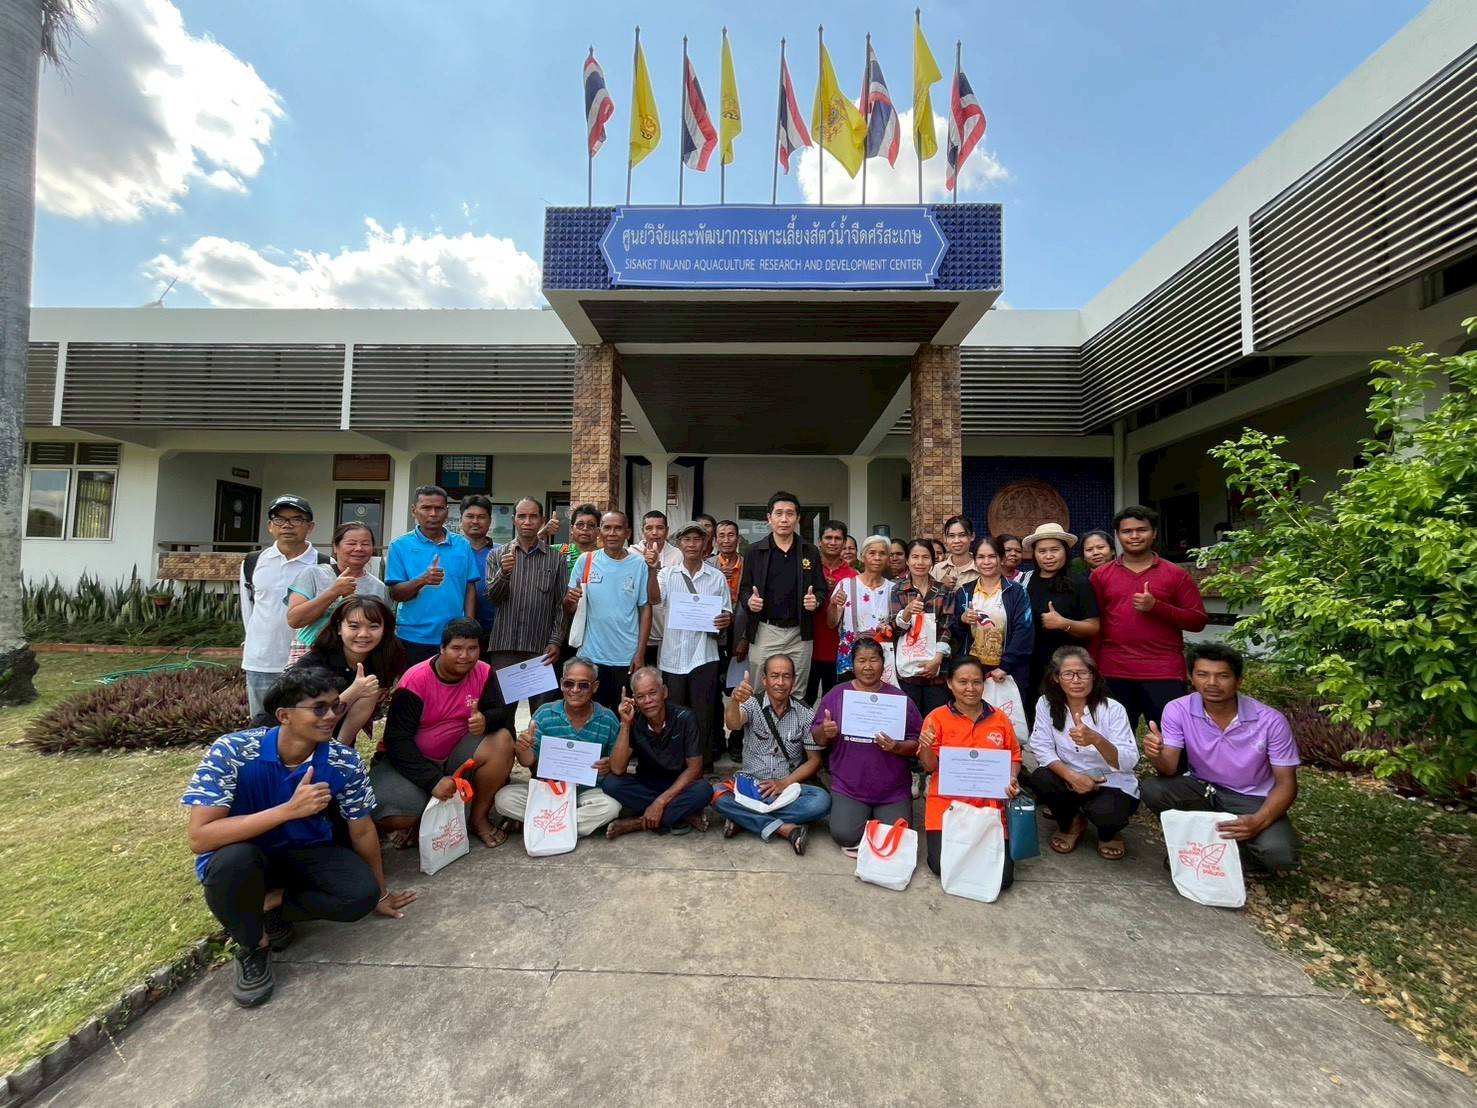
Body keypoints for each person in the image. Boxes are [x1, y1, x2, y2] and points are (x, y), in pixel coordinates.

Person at [182, 668, 415, 1007]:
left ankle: (271, 904)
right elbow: (200, 838)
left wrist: (380, 892)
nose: (331, 715)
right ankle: (254, 946)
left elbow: (362, 828)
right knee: (232, 863)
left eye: (336, 706)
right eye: (319, 708)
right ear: (284, 716)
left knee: (359, 896)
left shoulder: (342, 760)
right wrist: (287, 811)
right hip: (244, 856)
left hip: (303, 853)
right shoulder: (232, 751)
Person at [1141, 643, 1301, 873]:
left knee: (1280, 855)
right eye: (1202, 675)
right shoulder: (1178, 709)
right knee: (1153, 789)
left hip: (1252, 798)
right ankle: (1197, 844)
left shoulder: (1271, 721)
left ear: (1239, 681)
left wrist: (1258, 821)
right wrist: (1155, 754)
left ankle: (1226, 852)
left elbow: (1286, 784)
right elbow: (1168, 769)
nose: (1212, 683)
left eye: (1222, 676)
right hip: (1203, 789)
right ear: (1191, 678)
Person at [370, 618, 516, 848]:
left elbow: (502, 713)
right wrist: (432, 780)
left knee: (502, 740)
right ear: (442, 648)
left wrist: (486, 721)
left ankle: (478, 819)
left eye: (472, 648)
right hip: (412, 762)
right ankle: (419, 819)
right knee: (396, 816)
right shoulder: (415, 680)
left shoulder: (484, 672)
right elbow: (397, 741)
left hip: (456, 757)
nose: (465, 656)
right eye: (456, 648)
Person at [1090, 505, 1208, 729]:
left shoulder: (1175, 574)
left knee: (1171, 739)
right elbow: (1095, 625)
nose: (1134, 536)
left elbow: (1198, 620)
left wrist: (1157, 607)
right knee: (1112, 740)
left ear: (1154, 533)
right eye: (1127, 531)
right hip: (1113, 669)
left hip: (1163, 671)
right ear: (1118, 535)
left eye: (1142, 530)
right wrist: (1092, 667)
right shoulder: (1100, 575)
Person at [1027, 646, 1139, 860]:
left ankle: (1108, 834)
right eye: (1068, 674)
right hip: (1068, 779)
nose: (1076, 680)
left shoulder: (1113, 709)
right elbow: (1041, 747)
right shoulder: (1046, 704)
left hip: (1109, 781)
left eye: (1082, 673)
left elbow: (1128, 761)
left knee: (1108, 813)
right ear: (1056, 678)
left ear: (1093, 676)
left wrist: (1097, 740)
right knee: (1041, 778)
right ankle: (1072, 823)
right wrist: (1073, 777)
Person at [916, 657, 1020, 886]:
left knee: (1003, 878)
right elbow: (930, 767)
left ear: (984, 683)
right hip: (946, 805)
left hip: (990, 805)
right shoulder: (936, 718)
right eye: (962, 682)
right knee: (940, 866)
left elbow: (1014, 756)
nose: (970, 688)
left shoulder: (1000, 718)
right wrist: (926, 746)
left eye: (976, 682)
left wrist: (1012, 777)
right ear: (950, 684)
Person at [811, 637, 923, 850]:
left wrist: (897, 747)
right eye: (862, 660)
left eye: (874, 660)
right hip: (850, 786)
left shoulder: (899, 699)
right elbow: (817, 738)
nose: (868, 667)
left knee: (896, 841)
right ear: (852, 664)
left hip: (891, 789)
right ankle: (861, 815)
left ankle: (876, 817)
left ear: (883, 663)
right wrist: (826, 732)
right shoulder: (837, 694)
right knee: (844, 835)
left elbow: (918, 743)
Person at [493, 657, 623, 837]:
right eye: (569, 683)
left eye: (583, 685)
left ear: (595, 687)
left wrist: (608, 763)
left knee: (611, 807)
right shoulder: (545, 713)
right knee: (503, 799)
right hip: (547, 790)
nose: (575, 690)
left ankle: (543, 825)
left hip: (586, 793)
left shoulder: (607, 718)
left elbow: (616, 762)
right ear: (561, 684)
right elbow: (528, 761)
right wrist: (523, 748)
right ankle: (565, 829)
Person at [717, 657, 830, 854]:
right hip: (752, 785)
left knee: (822, 801)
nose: (780, 682)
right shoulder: (752, 704)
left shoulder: (805, 713)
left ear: (794, 680)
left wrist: (784, 783)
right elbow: (733, 723)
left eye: (786, 676)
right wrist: (734, 700)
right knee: (716, 794)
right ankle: (785, 828)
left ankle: (744, 818)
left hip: (787, 790)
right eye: (774, 676)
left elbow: (814, 761)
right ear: (764, 680)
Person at [648, 521, 732, 766]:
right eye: (687, 539)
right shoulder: (667, 574)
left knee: (703, 715)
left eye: (697, 539)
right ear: (679, 543)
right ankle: (675, 764)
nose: (692, 544)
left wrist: (724, 620)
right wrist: (652, 570)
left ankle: (702, 765)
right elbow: (653, 599)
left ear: (705, 543)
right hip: (673, 655)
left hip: (704, 655)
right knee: (673, 713)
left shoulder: (716, 577)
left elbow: (726, 613)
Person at [602, 668, 715, 838]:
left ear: (664, 692)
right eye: (640, 696)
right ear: (634, 700)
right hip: (647, 784)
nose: (648, 701)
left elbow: (695, 769)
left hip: (679, 786)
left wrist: (660, 802)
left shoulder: (685, 718)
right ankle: (681, 814)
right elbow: (617, 769)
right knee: (611, 783)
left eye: (653, 693)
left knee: (704, 790)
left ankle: (638, 823)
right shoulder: (634, 720)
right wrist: (625, 723)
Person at [735, 491, 827, 696]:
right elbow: (744, 589)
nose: (784, 519)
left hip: (800, 633)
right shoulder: (754, 551)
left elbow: (821, 588)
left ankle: (792, 720)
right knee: (760, 689)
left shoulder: (810, 551)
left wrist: (816, 601)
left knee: (796, 691)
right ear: (769, 518)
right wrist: (749, 601)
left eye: (790, 514)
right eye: (779, 513)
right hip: (766, 630)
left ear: (797, 518)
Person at [239, 494, 320, 718]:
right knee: (262, 724)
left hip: (308, 661)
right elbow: (248, 609)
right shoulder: (253, 562)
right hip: (262, 661)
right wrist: (252, 644)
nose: (287, 525)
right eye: (280, 519)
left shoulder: (324, 564)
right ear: (270, 525)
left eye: (296, 519)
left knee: (308, 722)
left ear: (310, 527)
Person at [485, 496, 567, 712]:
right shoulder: (497, 555)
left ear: (542, 520)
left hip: (541, 647)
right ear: (514, 519)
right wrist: (504, 573)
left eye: (533, 516)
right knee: (501, 712)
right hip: (504, 645)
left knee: (542, 712)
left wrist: (556, 641)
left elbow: (561, 604)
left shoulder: (556, 558)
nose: (527, 521)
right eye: (522, 516)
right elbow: (493, 598)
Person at [564, 510, 651, 710]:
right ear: (599, 531)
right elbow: (569, 608)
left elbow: (645, 609)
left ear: (627, 533)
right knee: (592, 714)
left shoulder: (639, 564)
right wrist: (570, 600)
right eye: (607, 527)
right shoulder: (586, 561)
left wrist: (640, 653)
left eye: (618, 528)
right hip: (591, 656)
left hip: (626, 657)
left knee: (624, 715)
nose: (612, 533)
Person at [385, 485, 477, 667]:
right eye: (426, 508)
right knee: (414, 684)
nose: (433, 513)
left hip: (454, 637)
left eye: (439, 508)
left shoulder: (462, 545)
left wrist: (469, 626)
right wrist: (422, 580)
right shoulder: (399, 545)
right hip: (413, 637)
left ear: (447, 511)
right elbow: (395, 594)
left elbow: (470, 588)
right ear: (414, 511)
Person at [293, 596, 403, 743]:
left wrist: (341, 750)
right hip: (297, 740)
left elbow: (362, 708)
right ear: (339, 628)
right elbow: (311, 717)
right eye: (354, 626)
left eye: (373, 626)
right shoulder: (313, 664)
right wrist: (354, 691)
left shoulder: (384, 659)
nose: (363, 634)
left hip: (336, 742)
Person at [1021, 523, 1100, 723]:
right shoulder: (1026, 582)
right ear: (1034, 554)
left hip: (1068, 666)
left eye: (1054, 550)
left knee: (1066, 719)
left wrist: (1063, 623)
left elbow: (1093, 626)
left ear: (1065, 551)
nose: (1048, 556)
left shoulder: (1080, 583)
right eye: (1042, 551)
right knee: (1034, 718)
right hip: (1030, 666)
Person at [284, 522, 389, 665]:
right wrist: (334, 591)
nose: (359, 548)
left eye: (365, 544)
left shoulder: (379, 587)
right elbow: (295, 620)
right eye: (351, 543)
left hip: (357, 657)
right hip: (311, 651)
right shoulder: (313, 574)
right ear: (335, 546)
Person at [949, 535, 1034, 695]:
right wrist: (962, 620)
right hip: (972, 671)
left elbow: (1024, 631)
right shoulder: (965, 592)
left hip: (1007, 671)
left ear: (1001, 559)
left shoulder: (1016, 592)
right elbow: (957, 634)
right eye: (981, 557)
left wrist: (1005, 666)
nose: (986, 562)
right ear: (975, 560)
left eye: (992, 556)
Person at [890, 539, 954, 716]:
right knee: (910, 720)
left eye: (925, 557)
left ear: (933, 561)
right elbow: (895, 631)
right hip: (907, 671)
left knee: (935, 720)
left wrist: (937, 659)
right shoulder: (898, 590)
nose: (920, 562)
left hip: (937, 671)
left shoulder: (944, 590)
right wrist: (906, 613)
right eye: (915, 557)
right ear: (907, 560)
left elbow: (947, 627)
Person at [826, 534, 897, 682]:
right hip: (850, 660)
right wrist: (833, 604)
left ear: (888, 559)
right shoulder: (845, 585)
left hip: (882, 660)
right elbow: (831, 623)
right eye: (872, 553)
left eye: (882, 553)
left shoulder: (894, 589)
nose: (877, 557)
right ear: (862, 556)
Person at [808, 520, 859, 702]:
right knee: (804, 700)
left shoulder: (854, 576)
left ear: (844, 542)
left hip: (839, 650)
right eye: (828, 537)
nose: (833, 542)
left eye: (838, 538)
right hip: (808, 646)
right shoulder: (808, 570)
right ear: (819, 541)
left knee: (834, 702)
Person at [710, 518, 746, 760]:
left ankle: (736, 740)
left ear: (738, 538)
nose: (726, 540)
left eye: (730, 535)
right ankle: (715, 740)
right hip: (714, 636)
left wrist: (746, 638)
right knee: (712, 691)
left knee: (739, 691)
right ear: (715, 540)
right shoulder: (707, 565)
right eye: (721, 535)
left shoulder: (750, 565)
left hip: (740, 635)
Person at [630, 509, 685, 667]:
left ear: (667, 530)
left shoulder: (678, 555)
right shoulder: (631, 554)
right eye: (649, 528)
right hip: (637, 634)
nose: (654, 533)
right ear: (642, 530)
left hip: (668, 635)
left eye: (660, 528)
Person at [459, 494, 500, 644]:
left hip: (496, 632)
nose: (475, 521)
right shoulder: (451, 551)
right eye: (470, 516)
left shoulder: (502, 552)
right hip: (458, 632)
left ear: (490, 521)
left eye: (481, 517)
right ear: (460, 520)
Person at [931, 515, 978, 593]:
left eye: (962, 535)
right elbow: (927, 599)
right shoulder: (936, 569)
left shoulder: (981, 568)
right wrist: (941, 586)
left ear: (972, 536)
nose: (956, 541)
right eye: (951, 536)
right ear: (945, 538)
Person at [556, 503, 602, 576]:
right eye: (580, 524)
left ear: (598, 531)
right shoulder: (559, 551)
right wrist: (543, 532)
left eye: (591, 525)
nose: (585, 528)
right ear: (571, 529)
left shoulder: (603, 557)